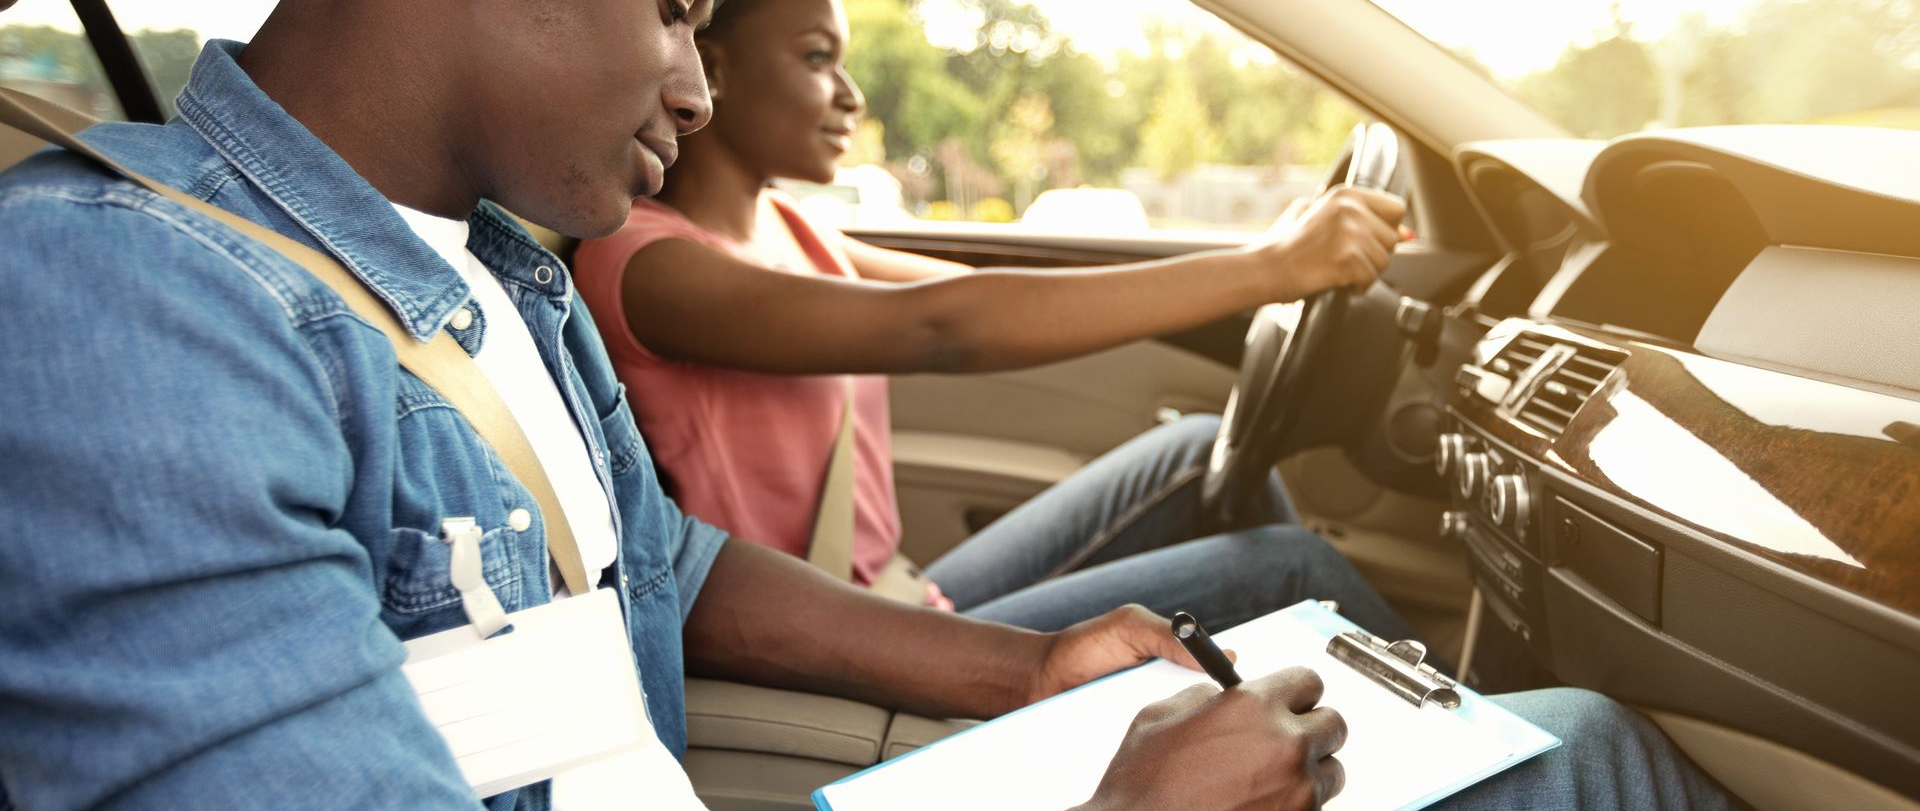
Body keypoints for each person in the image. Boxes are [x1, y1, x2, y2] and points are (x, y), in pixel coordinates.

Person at [0, 0, 1733, 809]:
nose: (691, 79)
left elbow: (656, 569)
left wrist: (1022, 666)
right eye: (673, 12)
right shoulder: (127, 300)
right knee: (1579, 759)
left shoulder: (500, 270)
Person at [572, 0, 1410, 635]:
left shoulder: (789, 227)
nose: (852, 96)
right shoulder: (650, 266)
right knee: (1293, 568)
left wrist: (1259, 267)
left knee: (1194, 452)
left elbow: (978, 290)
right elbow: (944, 325)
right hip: (834, 637)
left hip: (898, 590)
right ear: (711, 68)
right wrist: (1275, 266)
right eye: (819, 58)